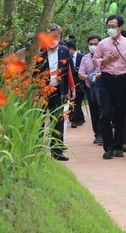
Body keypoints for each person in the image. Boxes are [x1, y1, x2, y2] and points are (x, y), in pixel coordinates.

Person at [93, 15, 126, 159]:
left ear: (120, 27)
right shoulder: (103, 44)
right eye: (108, 26)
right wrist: (104, 60)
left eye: (113, 26)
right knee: (105, 113)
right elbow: (95, 61)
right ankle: (108, 148)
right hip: (106, 80)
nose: (110, 29)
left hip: (123, 80)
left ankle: (118, 146)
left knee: (120, 115)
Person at [35, 23, 75, 161]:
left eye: (57, 37)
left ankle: (57, 151)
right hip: (39, 92)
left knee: (58, 120)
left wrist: (67, 91)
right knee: (38, 120)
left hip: (57, 91)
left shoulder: (64, 51)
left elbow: (65, 72)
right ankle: (36, 149)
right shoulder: (37, 50)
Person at [78, 35, 103, 145]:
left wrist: (99, 75)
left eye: (95, 44)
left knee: (104, 110)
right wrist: (89, 77)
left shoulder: (105, 56)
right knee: (94, 110)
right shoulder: (85, 58)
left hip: (103, 88)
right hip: (90, 88)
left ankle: (104, 133)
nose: (93, 46)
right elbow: (80, 74)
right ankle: (97, 134)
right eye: (91, 44)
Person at [64, 40, 85, 128]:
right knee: (73, 102)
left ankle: (74, 120)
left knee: (78, 102)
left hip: (80, 84)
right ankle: (80, 117)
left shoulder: (82, 57)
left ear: (72, 49)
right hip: (70, 84)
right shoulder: (66, 58)